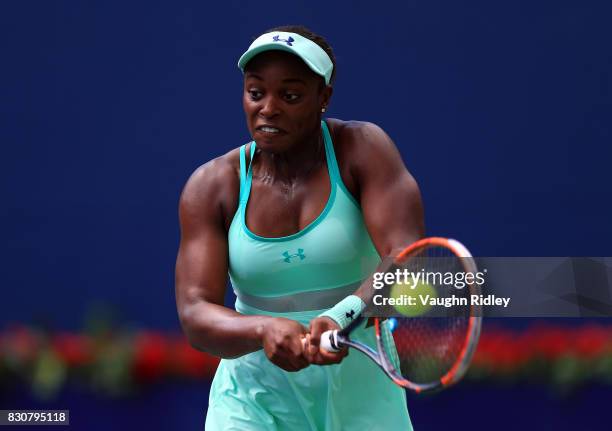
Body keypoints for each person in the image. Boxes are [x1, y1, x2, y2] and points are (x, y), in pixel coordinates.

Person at [175, 25, 424, 430]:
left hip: (361, 390)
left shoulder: (363, 150)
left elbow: (408, 259)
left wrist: (343, 315)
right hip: (252, 399)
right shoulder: (211, 186)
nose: (268, 108)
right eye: (256, 92)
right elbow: (195, 315)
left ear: (323, 97)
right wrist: (263, 328)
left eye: (290, 96)